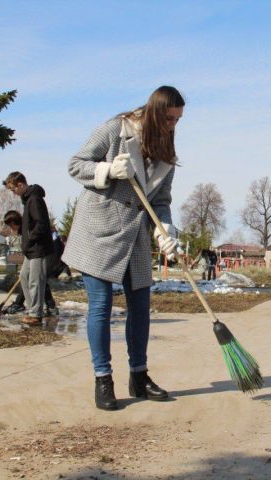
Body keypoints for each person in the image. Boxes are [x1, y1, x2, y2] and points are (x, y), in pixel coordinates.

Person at [61, 85, 184, 410]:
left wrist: (165, 229)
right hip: (100, 230)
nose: (173, 125)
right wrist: (107, 170)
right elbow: (75, 164)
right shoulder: (116, 128)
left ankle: (139, 376)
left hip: (136, 237)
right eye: (170, 118)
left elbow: (161, 201)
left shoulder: (167, 151)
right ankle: (103, 380)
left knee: (141, 307)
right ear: (156, 111)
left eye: (178, 120)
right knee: (100, 305)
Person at [4, 172, 55, 326]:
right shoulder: (28, 201)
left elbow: (41, 225)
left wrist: (30, 239)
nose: (13, 193)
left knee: (35, 281)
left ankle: (35, 313)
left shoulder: (35, 200)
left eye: (13, 190)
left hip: (38, 248)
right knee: (25, 278)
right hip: (30, 250)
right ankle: (32, 309)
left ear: (20, 184)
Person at [1, 210, 59, 316]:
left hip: (48, 254)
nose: (10, 228)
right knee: (27, 277)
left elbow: (36, 241)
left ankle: (47, 307)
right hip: (37, 254)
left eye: (10, 226)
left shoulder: (27, 227)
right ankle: (32, 305)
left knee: (38, 280)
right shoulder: (24, 228)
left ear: (13, 223)